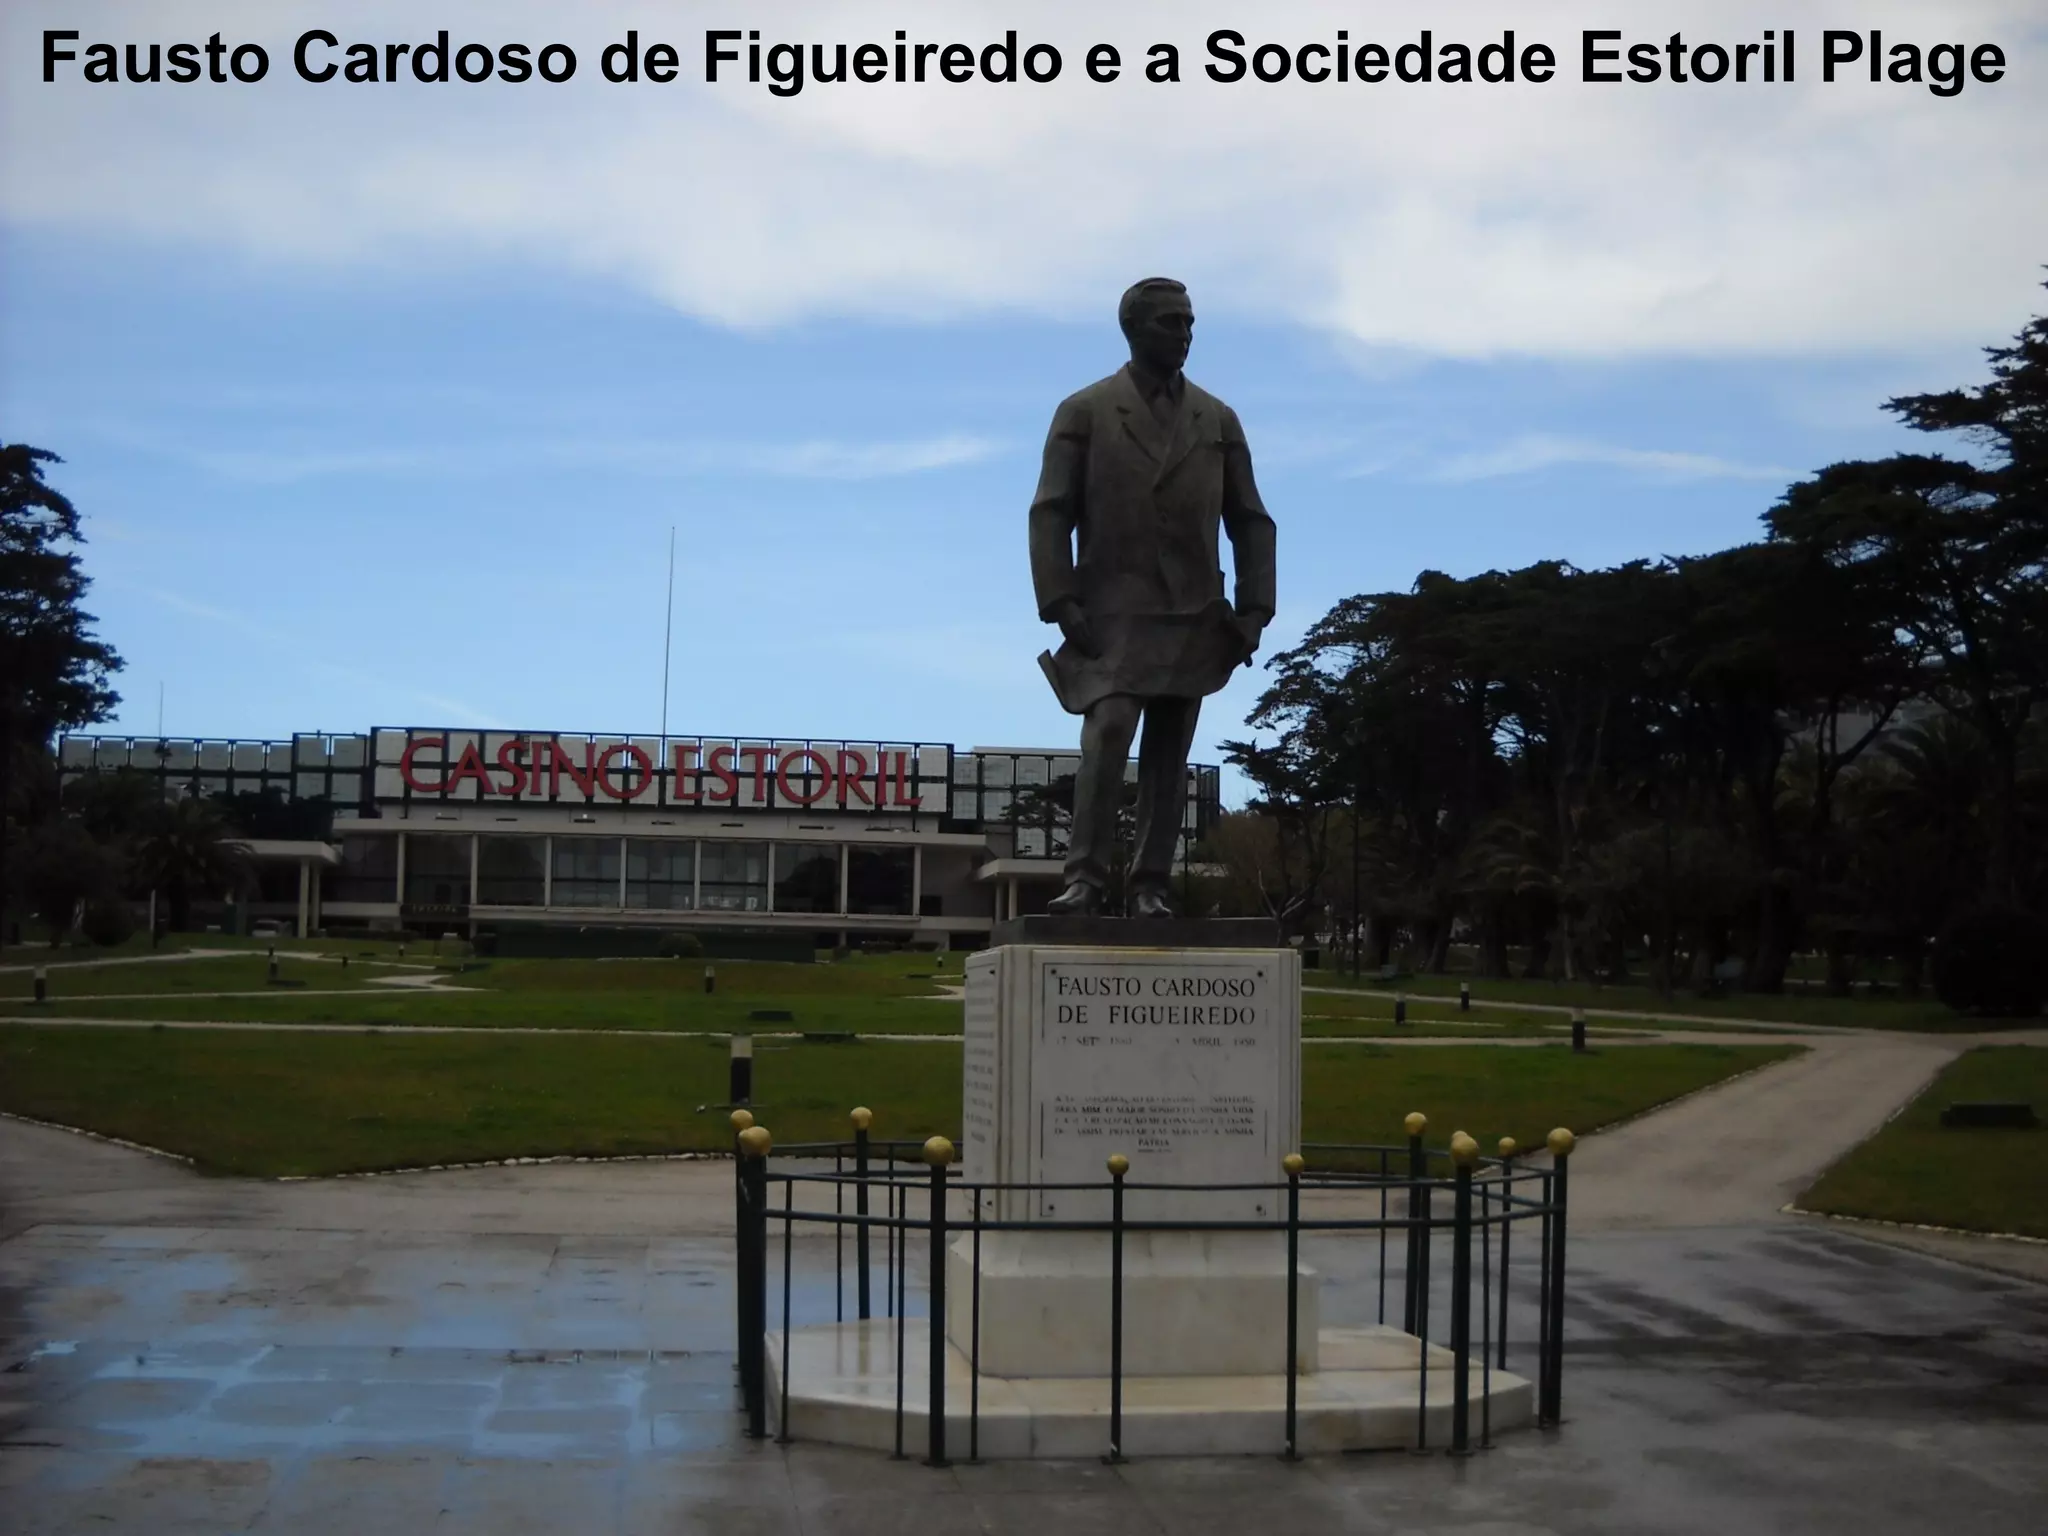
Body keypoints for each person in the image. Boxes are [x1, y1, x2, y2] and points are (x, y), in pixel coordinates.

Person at [1028, 278, 1277, 917]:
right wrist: (1059, 598)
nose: (1185, 336)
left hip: (1194, 611)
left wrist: (1255, 610)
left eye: (1191, 324)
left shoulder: (1217, 418)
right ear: (1134, 329)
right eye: (1172, 323)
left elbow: (1249, 518)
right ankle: (1084, 877)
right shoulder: (1084, 410)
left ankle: (1150, 885)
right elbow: (1052, 511)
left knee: (1171, 751)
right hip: (1111, 609)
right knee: (1108, 731)